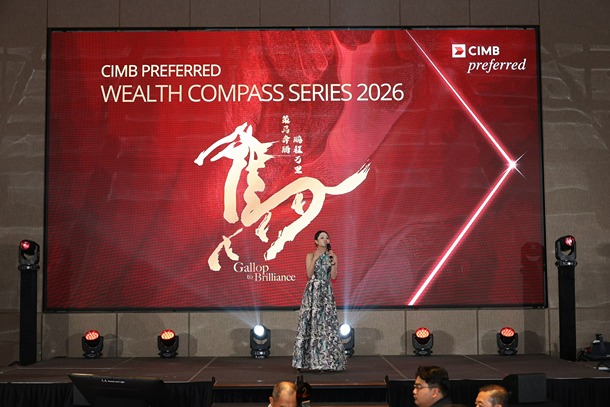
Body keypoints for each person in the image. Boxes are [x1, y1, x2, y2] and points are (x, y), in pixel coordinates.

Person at [292, 230, 347, 371]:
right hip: (313, 291)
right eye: (322, 237)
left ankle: (326, 362)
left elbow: (333, 276)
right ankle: (305, 361)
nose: (325, 239)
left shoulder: (332, 256)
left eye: (327, 237)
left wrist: (334, 262)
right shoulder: (310, 255)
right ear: (316, 241)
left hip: (326, 293)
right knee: (310, 323)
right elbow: (309, 273)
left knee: (326, 325)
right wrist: (315, 258)